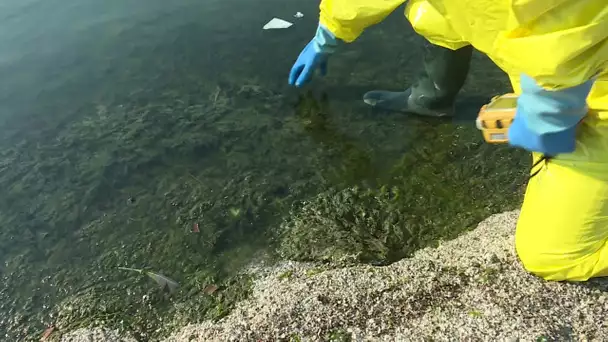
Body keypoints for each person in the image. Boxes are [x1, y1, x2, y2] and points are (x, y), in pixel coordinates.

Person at [288, 0, 608, 282]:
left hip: (591, 90)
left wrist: (547, 115)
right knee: (430, 11)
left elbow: (566, 44)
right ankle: (431, 98)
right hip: (558, 61)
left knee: (552, 256)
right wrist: (329, 30)